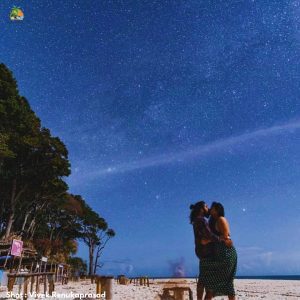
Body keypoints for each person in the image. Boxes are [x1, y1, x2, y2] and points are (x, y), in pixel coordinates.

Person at [190, 201, 232, 300]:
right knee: (208, 283)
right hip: (206, 252)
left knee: (204, 279)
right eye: (206, 206)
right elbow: (209, 235)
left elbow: (207, 237)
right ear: (201, 209)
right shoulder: (201, 220)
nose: (208, 208)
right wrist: (221, 238)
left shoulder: (199, 220)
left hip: (202, 251)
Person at [203, 202, 238, 300]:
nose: (210, 209)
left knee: (223, 283)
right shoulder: (213, 221)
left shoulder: (221, 219)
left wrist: (209, 240)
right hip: (218, 255)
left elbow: (226, 238)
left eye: (212, 208)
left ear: (217, 210)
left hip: (226, 255)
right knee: (213, 284)